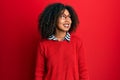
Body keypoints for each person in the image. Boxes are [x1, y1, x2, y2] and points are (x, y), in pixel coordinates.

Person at [35, 3, 89, 80]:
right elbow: (39, 74)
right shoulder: (43, 45)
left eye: (69, 17)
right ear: (53, 19)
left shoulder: (77, 42)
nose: (68, 20)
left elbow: (83, 72)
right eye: (63, 16)